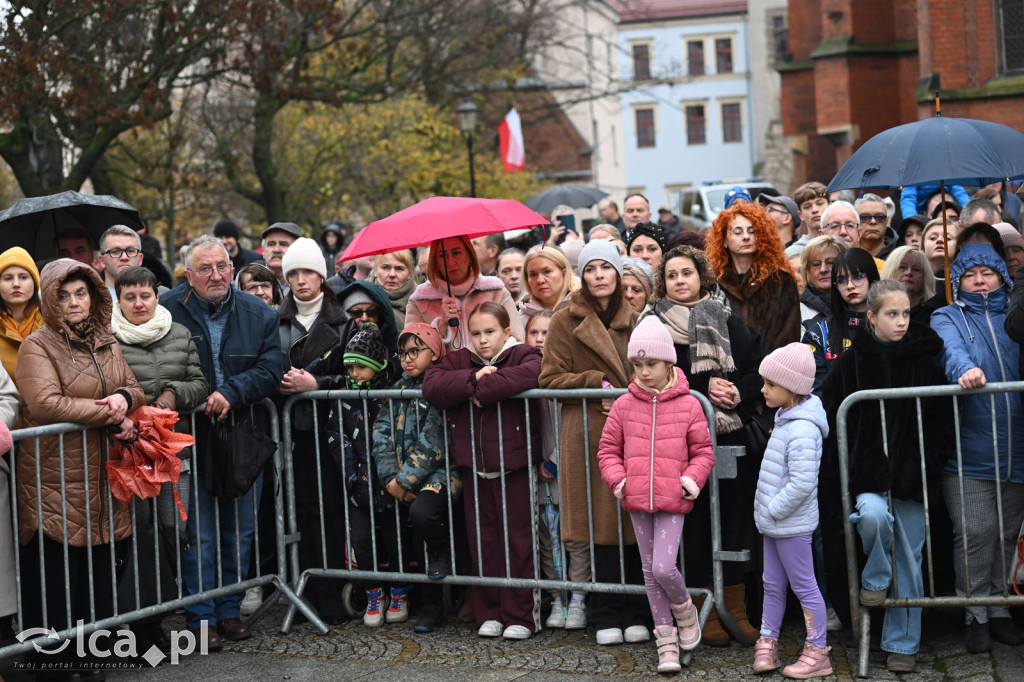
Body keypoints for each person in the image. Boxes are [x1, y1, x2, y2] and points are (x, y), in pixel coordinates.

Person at [16, 259, 144, 672]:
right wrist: (108, 412)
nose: (74, 302)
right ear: (50, 301)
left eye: (81, 293)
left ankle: (91, 653)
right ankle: (52, 663)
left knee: (98, 571)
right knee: (57, 576)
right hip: (55, 476)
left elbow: (135, 387)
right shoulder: (37, 345)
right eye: (64, 295)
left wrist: (124, 398)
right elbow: (44, 404)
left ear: (93, 297)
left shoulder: (106, 341)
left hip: (101, 477)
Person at [820, 280, 953, 673]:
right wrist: (853, 466)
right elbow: (833, 420)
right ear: (872, 317)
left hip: (912, 477)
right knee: (873, 516)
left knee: (910, 558)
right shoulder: (850, 363)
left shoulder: (925, 360)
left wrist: (925, 462)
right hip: (868, 477)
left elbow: (943, 421)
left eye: (906, 313)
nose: (901, 321)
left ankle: (902, 644)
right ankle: (876, 576)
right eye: (892, 314)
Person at [161, 235, 284, 649]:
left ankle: (230, 611)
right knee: (200, 532)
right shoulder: (167, 310)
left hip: (243, 433)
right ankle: (201, 617)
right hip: (189, 436)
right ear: (188, 275)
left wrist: (233, 391)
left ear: (232, 268)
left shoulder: (258, 312)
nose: (216, 276)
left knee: (239, 529)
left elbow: (272, 367)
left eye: (222, 267)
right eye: (205, 269)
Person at [642, 244, 765, 646]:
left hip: (728, 437)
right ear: (663, 282)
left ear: (702, 277)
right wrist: (702, 386)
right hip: (678, 440)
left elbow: (757, 366)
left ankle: (735, 610)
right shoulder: (653, 324)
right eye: (672, 275)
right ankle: (702, 610)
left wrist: (737, 392)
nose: (680, 281)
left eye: (687, 273)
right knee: (693, 526)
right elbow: (652, 373)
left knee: (732, 523)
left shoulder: (725, 316)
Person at [538, 240, 648, 646]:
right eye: (590, 268)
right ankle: (604, 612)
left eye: (606, 267)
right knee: (597, 526)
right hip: (585, 434)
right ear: (581, 276)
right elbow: (549, 378)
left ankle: (636, 611)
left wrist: (625, 392)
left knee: (632, 522)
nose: (599, 275)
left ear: (618, 272)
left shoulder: (637, 318)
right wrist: (593, 383)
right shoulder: (564, 320)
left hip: (630, 432)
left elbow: (655, 370)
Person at [596, 316, 715, 674]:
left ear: (668, 363)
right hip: (637, 498)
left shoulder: (689, 405)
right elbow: (607, 450)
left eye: (652, 364)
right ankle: (666, 641)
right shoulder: (623, 405)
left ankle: (684, 610)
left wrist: (689, 481)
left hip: (672, 499)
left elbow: (703, 452)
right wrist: (620, 482)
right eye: (638, 365)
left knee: (663, 566)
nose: (644, 372)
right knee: (650, 572)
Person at [422, 302, 543, 640]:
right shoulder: (462, 359)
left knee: (519, 542)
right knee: (483, 543)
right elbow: (432, 385)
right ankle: (490, 612)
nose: (482, 340)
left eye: (490, 332)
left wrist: (483, 390)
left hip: (515, 467)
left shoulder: (523, 353)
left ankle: (521, 615)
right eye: (475, 333)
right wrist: (473, 378)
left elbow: (533, 372)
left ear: (506, 331)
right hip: (474, 468)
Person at [110, 265, 209, 653]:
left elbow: (200, 384)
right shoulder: (108, 339)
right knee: (136, 536)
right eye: (130, 297)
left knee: (172, 532)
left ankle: (159, 618)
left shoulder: (179, 333)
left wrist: (173, 394)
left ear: (157, 296)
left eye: (145, 296)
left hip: (171, 454)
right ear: (119, 301)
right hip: (128, 456)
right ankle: (137, 626)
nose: (139, 304)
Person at [931, 243, 1024, 654]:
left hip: (1017, 448)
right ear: (957, 282)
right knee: (975, 533)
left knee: (1006, 535)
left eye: (988, 272)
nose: (980, 280)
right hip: (969, 451)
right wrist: (965, 369)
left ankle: (1001, 610)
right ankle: (975, 614)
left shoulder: (1016, 318)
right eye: (970, 275)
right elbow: (950, 350)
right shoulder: (947, 316)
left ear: (1002, 277)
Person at [276, 237, 359, 624]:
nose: (300, 280)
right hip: (290, 431)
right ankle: (304, 588)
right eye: (293, 273)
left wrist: (317, 384)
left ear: (321, 276)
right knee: (299, 512)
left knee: (330, 511)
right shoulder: (275, 321)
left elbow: (356, 376)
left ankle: (331, 592)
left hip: (332, 430)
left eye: (308, 271)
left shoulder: (344, 322)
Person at [372, 323, 462, 634]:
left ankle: (439, 570)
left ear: (435, 353)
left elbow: (434, 441)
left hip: (441, 474)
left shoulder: (439, 387)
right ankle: (426, 604)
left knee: (423, 515)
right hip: (401, 478)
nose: (407, 359)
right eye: (402, 353)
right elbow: (380, 434)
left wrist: (404, 481)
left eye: (415, 351)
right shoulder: (397, 389)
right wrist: (390, 479)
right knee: (408, 532)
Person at [752, 343, 832, 679]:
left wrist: (772, 509)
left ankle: (818, 651)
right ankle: (768, 641)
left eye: (770, 384)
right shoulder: (786, 419)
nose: (763, 389)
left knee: (804, 586)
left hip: (790, 524)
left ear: (792, 387)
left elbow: (802, 483)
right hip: (775, 523)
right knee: (772, 584)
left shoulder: (801, 428)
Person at [527, 310, 589, 631]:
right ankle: (556, 597)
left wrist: (554, 458)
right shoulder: (524, 377)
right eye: (534, 332)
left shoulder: (565, 372)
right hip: (541, 475)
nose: (540, 339)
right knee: (547, 537)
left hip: (569, 468)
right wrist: (539, 461)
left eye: (547, 332)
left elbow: (574, 424)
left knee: (575, 537)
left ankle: (577, 599)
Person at [706, 202, 801, 353]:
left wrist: (770, 365)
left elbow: (789, 333)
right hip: (727, 366)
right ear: (724, 240)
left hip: (771, 364)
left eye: (752, 231)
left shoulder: (780, 279)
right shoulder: (712, 283)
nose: (746, 237)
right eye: (738, 232)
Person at [406, 236, 523, 352]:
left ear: (470, 255)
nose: (451, 262)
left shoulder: (496, 291)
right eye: (442, 255)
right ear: (435, 262)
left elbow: (516, 343)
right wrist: (441, 326)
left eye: (456, 253)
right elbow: (413, 352)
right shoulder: (419, 300)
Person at [802, 248, 880, 394]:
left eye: (858, 277)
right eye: (842, 280)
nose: (850, 286)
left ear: (872, 278)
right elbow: (817, 393)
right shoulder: (818, 334)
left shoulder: (891, 326)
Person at [0, 247, 43, 385]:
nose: (16, 284)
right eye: (8, 278)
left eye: (23, 277)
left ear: (34, 282)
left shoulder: (51, 322)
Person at [518, 246, 578, 329]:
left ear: (564, 273)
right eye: (533, 275)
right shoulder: (520, 320)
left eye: (547, 271)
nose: (540, 280)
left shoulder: (584, 306)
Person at [798, 236, 847, 323]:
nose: (823, 269)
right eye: (816, 264)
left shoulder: (861, 304)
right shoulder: (798, 312)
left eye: (831, 262)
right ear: (807, 270)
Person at [880, 247, 935, 324]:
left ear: (925, 278)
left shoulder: (933, 316)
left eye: (916, 269)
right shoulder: (875, 312)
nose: (909, 273)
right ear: (890, 271)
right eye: (902, 267)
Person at [369, 250, 415, 329]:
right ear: (375, 271)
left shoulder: (421, 299)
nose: (392, 274)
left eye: (399, 268)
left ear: (409, 273)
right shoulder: (363, 298)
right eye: (385, 267)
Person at [98, 224, 145, 298]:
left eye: (130, 251)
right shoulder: (89, 299)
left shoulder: (160, 296)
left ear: (140, 259)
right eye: (115, 251)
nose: (124, 257)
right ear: (102, 261)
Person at [261, 221, 300, 289]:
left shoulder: (308, 284)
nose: (276, 250)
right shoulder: (248, 282)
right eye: (271, 244)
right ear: (263, 251)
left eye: (283, 244)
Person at [900, 182, 970, 219]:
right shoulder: (913, 171)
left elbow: (960, 194)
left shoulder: (947, 166)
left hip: (946, 200)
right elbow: (908, 199)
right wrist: (913, 221)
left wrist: (969, 213)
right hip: (923, 214)